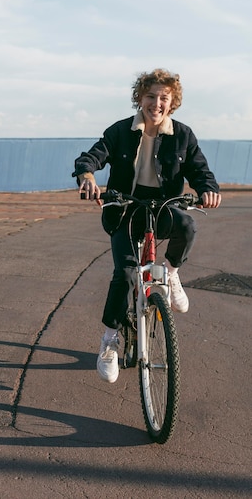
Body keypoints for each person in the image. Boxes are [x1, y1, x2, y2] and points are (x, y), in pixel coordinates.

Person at [72, 68, 221, 384]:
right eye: (151, 96)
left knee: (188, 227)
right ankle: (110, 340)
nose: (157, 103)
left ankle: (171, 274)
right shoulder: (121, 131)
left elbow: (200, 171)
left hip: (163, 207)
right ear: (139, 98)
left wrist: (209, 190)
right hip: (125, 209)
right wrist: (87, 177)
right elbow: (92, 157)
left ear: (172, 102)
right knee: (125, 273)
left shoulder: (182, 135)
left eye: (164, 98)